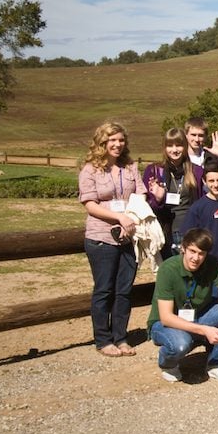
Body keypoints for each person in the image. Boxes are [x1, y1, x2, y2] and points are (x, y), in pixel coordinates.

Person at [79, 121, 148, 358]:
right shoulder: (90, 169)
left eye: (121, 140)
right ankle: (103, 339)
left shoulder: (129, 167)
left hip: (129, 238)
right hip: (101, 238)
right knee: (104, 290)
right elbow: (90, 204)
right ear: (102, 142)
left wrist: (132, 215)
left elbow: (141, 192)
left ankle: (120, 337)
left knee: (124, 290)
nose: (118, 144)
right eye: (112, 140)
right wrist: (118, 216)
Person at [147, 228, 218, 382]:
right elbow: (166, 317)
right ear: (183, 248)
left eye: (201, 253)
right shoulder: (168, 269)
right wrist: (203, 330)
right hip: (166, 323)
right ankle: (167, 363)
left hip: (198, 316)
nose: (196, 258)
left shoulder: (212, 264)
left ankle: (217, 362)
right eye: (192, 251)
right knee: (181, 344)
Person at [143, 127, 204, 258]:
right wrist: (158, 199)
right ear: (164, 148)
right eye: (170, 145)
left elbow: (202, 202)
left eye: (179, 145)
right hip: (165, 233)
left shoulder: (196, 171)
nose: (174, 150)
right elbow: (146, 207)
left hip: (190, 231)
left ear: (185, 146)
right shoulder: (154, 171)